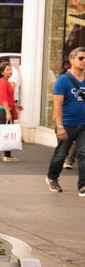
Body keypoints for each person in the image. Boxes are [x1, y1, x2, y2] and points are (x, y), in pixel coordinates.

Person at [47, 47, 85, 193]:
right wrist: (59, 126)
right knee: (61, 154)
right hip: (67, 124)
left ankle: (82, 185)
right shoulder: (63, 80)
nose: (84, 61)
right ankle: (52, 177)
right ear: (71, 60)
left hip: (83, 124)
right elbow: (57, 105)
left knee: (83, 154)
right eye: (80, 58)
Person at [0, 61, 19, 162]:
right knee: (6, 132)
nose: (10, 71)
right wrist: (8, 112)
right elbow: (4, 98)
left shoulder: (3, 81)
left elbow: (7, 97)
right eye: (7, 70)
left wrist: (16, 105)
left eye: (10, 69)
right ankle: (7, 155)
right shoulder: (3, 82)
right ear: (2, 72)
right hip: (2, 109)